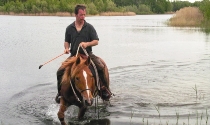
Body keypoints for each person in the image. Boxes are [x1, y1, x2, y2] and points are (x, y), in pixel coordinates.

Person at [55, 4, 112, 103]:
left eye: (84, 15)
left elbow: (96, 41)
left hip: (87, 55)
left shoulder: (89, 27)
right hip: (74, 56)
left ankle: (104, 89)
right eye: (81, 15)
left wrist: (87, 44)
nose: (83, 17)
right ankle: (60, 93)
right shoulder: (69, 28)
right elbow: (66, 41)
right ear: (76, 15)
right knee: (60, 71)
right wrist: (66, 48)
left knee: (101, 67)